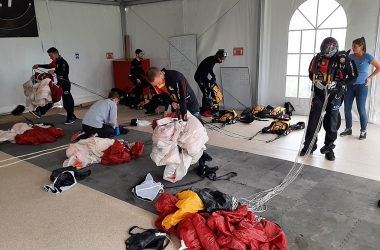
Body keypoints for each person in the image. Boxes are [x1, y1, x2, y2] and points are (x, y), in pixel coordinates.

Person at [300, 37, 357, 161]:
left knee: (332, 122)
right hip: (319, 93)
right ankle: (309, 145)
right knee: (314, 120)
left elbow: (353, 77)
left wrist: (340, 83)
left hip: (335, 94)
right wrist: (316, 81)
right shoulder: (318, 58)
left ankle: (329, 148)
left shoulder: (344, 59)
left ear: (334, 49)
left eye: (327, 50)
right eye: (323, 50)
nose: (325, 53)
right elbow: (311, 73)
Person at [340, 37, 380, 140]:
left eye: (355, 46)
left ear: (361, 46)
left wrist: (370, 78)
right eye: (352, 46)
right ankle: (348, 128)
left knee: (361, 109)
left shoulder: (367, 57)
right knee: (347, 108)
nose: (353, 48)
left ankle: (363, 131)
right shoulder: (350, 56)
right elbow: (343, 68)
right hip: (350, 85)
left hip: (362, 86)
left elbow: (378, 67)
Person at [33, 47, 76, 124]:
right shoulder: (56, 61)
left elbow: (65, 72)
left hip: (65, 84)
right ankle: (40, 111)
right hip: (60, 84)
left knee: (67, 101)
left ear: (56, 54)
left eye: (51, 55)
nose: (50, 57)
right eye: (49, 56)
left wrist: (55, 71)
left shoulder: (63, 62)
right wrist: (38, 65)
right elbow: (48, 66)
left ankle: (71, 117)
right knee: (51, 97)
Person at [194, 49, 227, 116]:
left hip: (203, 76)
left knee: (207, 91)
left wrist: (213, 75)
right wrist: (209, 81)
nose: (222, 61)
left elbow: (210, 69)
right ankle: (203, 111)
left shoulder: (213, 60)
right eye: (221, 59)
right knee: (205, 92)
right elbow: (203, 76)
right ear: (218, 56)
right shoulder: (210, 61)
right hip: (199, 77)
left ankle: (206, 108)